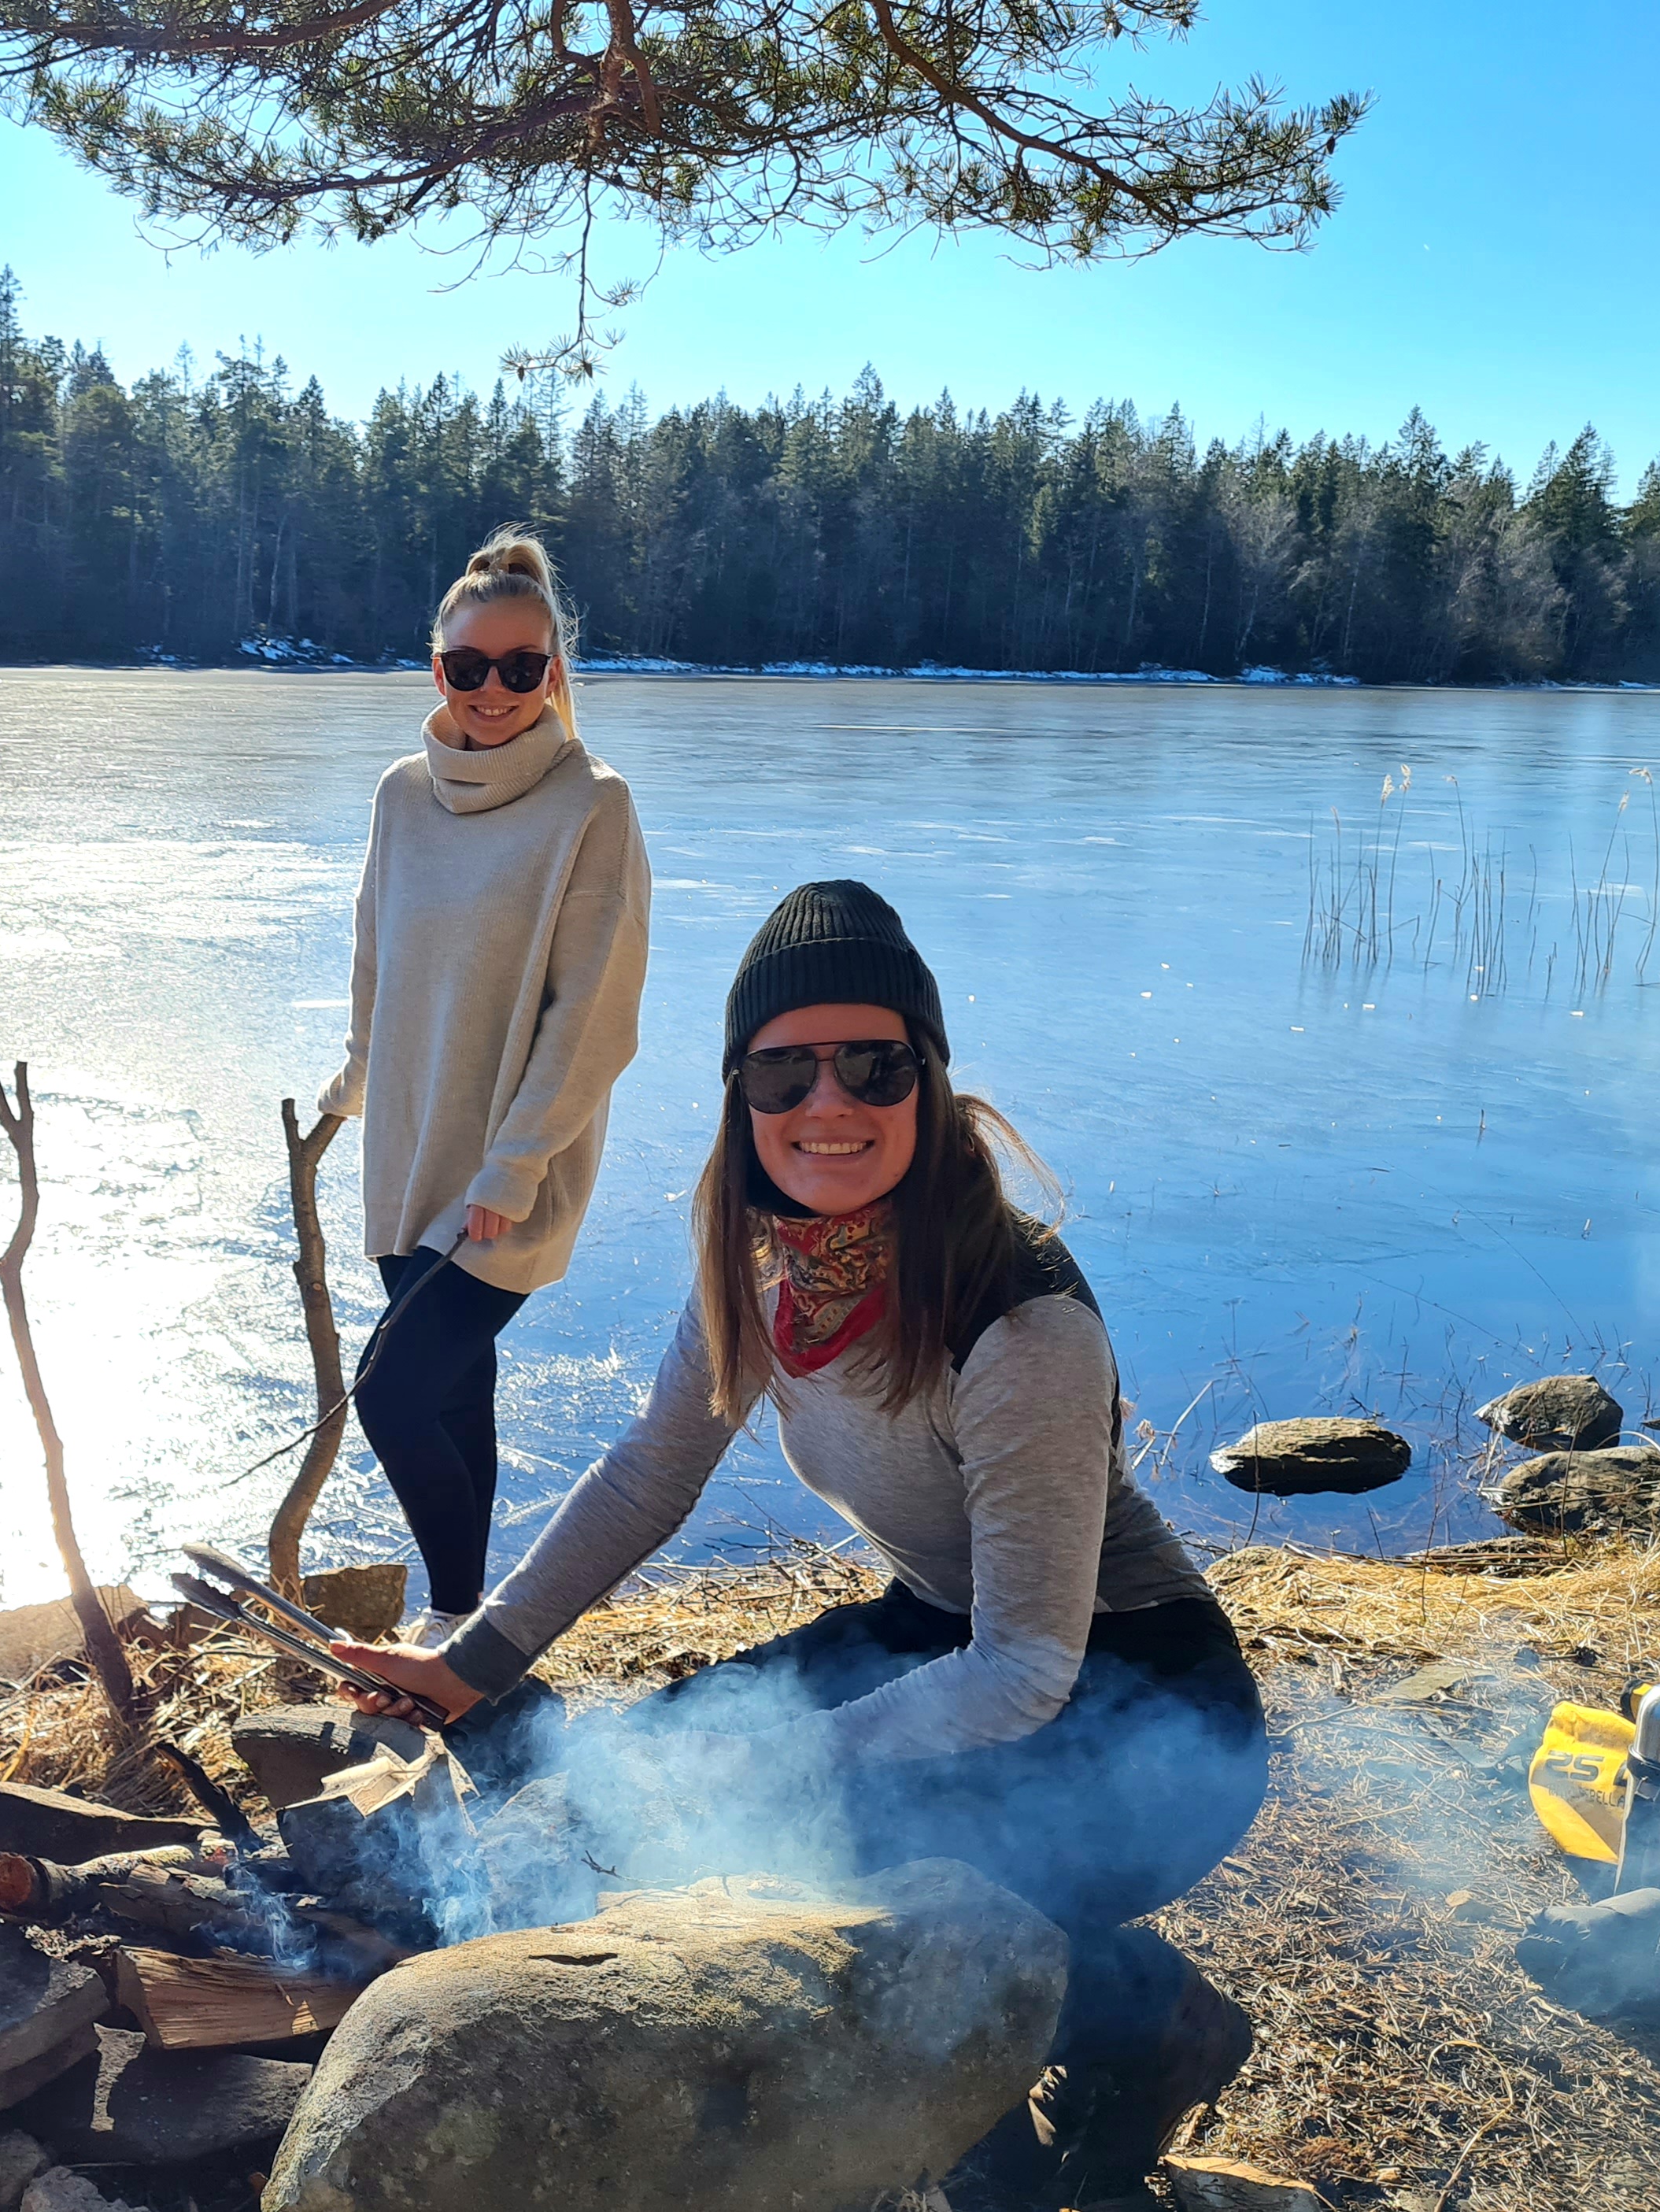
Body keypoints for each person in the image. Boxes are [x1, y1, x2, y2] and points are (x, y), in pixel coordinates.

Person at [337, 882, 1269, 2212]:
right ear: (740, 1096)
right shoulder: (759, 1266)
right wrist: (472, 1661)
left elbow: (1019, 1673)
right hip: (942, 1626)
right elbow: (649, 1475)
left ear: (927, 1080)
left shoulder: (1020, 1324)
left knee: (833, 1846)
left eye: (870, 1062)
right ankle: (992, 2072)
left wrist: (790, 1758)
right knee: (659, 1748)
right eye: (784, 1068)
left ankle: (1142, 2029)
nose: (825, 1100)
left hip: (1146, 1703)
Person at [315, 530, 652, 1643]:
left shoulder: (590, 807)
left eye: (522, 666)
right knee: (456, 1393)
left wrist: (513, 1166)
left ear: (554, 671)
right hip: (407, 1148)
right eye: (471, 667)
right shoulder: (401, 796)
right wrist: (355, 1083)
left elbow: (593, 1017)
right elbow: (374, 950)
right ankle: (463, 1622)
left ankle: (466, 1620)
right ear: (437, 669)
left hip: (515, 1169)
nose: (496, 688)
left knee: (391, 1393)